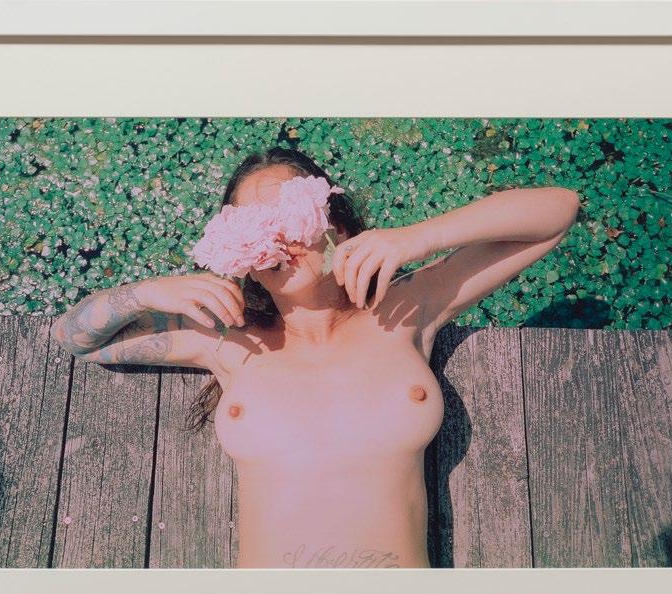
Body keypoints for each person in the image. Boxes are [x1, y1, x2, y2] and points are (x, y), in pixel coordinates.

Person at [51, 146, 580, 568]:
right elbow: (77, 339)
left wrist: (415, 239)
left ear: (337, 227)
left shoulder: (404, 310)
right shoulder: (228, 341)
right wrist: (145, 293)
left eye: (291, 215)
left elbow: (557, 212)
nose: (278, 241)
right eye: (254, 228)